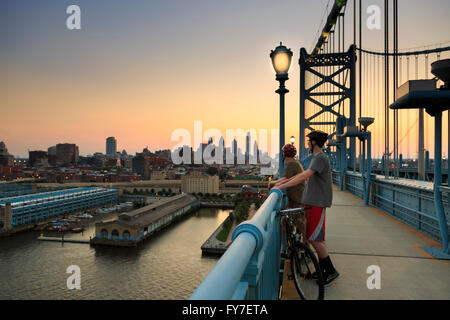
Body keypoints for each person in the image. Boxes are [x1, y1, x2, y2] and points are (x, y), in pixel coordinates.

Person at [272, 130, 339, 286]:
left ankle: (330, 271)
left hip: (316, 204)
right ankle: (322, 271)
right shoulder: (317, 158)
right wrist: (280, 184)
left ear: (314, 142)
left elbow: (302, 176)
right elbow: (299, 176)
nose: (307, 144)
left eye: (309, 141)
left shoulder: (321, 158)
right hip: (312, 203)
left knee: (316, 240)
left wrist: (280, 186)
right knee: (313, 238)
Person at [268, 144, 306, 238]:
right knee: (287, 220)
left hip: (297, 199)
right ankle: (294, 241)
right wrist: (276, 184)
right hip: (297, 198)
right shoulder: (295, 163)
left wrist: (273, 183)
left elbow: (285, 178)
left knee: (299, 223)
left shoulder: (291, 164)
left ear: (284, 154)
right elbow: (288, 178)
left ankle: (304, 243)